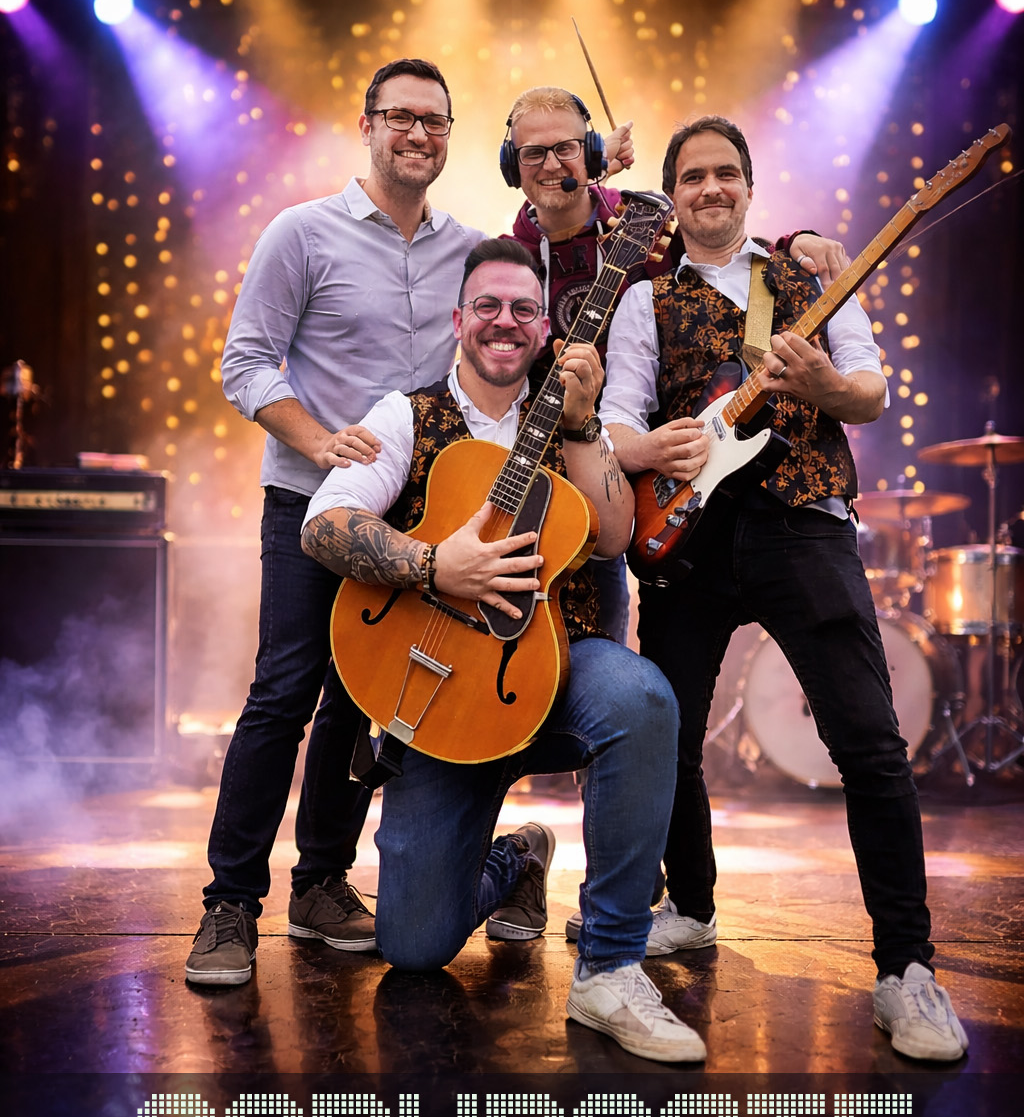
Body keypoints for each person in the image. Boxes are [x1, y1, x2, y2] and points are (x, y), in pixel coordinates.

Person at [599, 114, 969, 1063]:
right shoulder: (643, 300)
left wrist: (823, 387)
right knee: (669, 739)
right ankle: (691, 907)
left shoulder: (814, 282)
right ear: (673, 196)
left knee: (870, 744)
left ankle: (907, 970)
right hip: (688, 534)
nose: (710, 189)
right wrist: (656, 448)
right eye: (693, 176)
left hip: (805, 524)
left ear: (751, 187)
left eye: (726, 173)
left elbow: (871, 392)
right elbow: (616, 423)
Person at [299, 238, 706, 1063]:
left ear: (546, 327)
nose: (505, 321)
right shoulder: (406, 416)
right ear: (458, 319)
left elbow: (615, 537)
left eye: (524, 308)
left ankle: (611, 965)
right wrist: (431, 564)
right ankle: (518, 857)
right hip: (442, 697)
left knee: (642, 697)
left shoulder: (575, 419)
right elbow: (323, 523)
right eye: (487, 305)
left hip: (550, 672)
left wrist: (585, 425)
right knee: (414, 947)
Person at [185, 59, 487, 986]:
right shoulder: (302, 232)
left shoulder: (469, 248)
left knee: (362, 699)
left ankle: (320, 884)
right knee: (284, 690)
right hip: (308, 503)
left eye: (435, 120)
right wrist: (320, 443)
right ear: (367, 125)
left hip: (412, 516)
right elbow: (245, 363)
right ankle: (230, 906)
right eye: (401, 117)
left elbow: (547, 272)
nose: (419, 134)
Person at [500, 85, 850, 643]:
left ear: (592, 154)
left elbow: (725, 249)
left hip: (622, 489)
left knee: (600, 653)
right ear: (510, 164)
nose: (551, 165)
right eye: (532, 153)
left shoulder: (642, 228)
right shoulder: (508, 258)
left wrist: (794, 242)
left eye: (566, 149)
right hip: (532, 474)